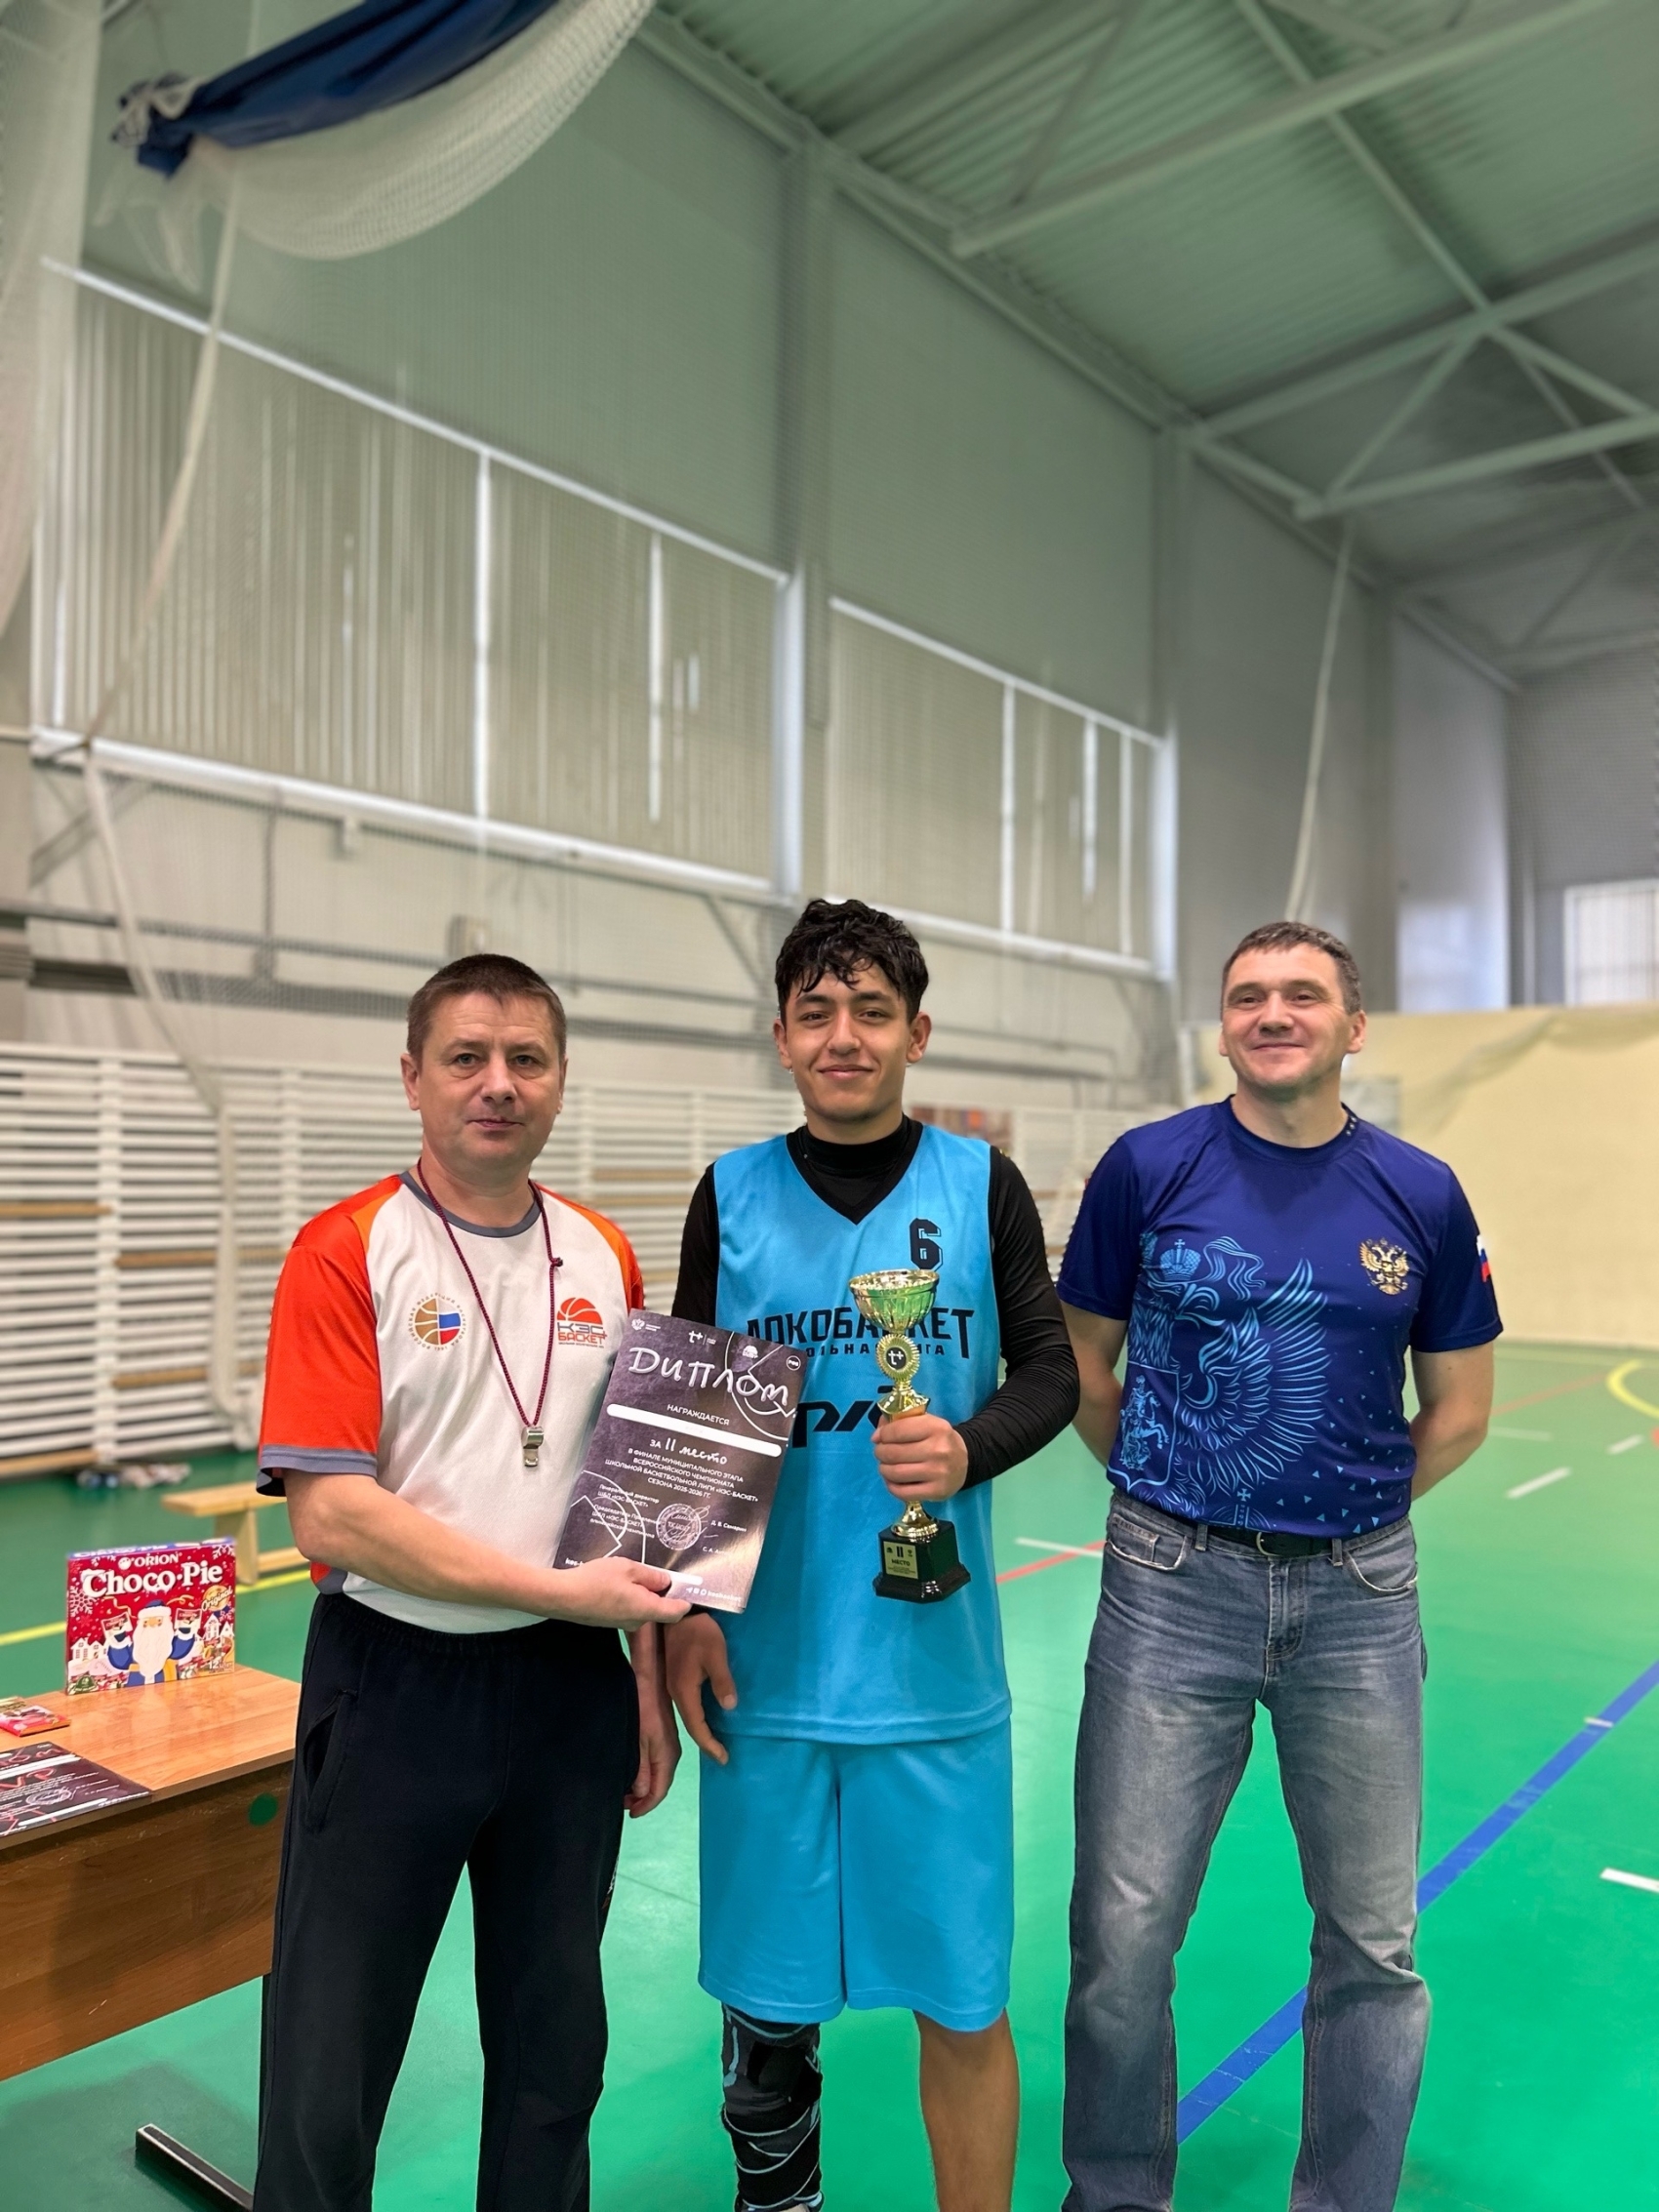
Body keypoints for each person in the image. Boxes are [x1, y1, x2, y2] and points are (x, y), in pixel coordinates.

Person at [1056, 920, 1500, 2212]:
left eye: (1303, 993)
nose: (1272, 1012)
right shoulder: (1149, 1168)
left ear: (1353, 1027)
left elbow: (1460, 1408)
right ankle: (1116, 2195)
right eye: (1248, 994)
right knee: (1121, 1941)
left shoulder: (1421, 1192)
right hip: (1167, 1593)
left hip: (1360, 1604)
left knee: (1373, 1946)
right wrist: (1173, 1500)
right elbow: (1084, 1367)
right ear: (1224, 1027)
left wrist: (1351, 1521)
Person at [253, 952, 688, 2212]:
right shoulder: (346, 1250)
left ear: (559, 1080)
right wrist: (559, 1596)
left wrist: (643, 1684)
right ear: (413, 1078)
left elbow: (634, 1499)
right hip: (395, 1684)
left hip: (570, 1691)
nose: (498, 1084)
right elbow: (334, 1515)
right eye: (466, 1057)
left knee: (557, 2045)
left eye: (526, 1059)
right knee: (331, 2051)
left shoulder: (603, 1254)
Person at [665, 898, 1079, 2212]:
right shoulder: (729, 1193)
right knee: (765, 2007)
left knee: (963, 2001)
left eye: (872, 1012)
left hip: (931, 1676)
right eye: (817, 1013)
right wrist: (683, 1611)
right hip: (766, 1670)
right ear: (782, 1036)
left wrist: (966, 1448)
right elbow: (687, 1427)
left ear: (917, 1034)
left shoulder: (980, 1184)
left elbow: (1053, 1371)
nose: (844, 1036)